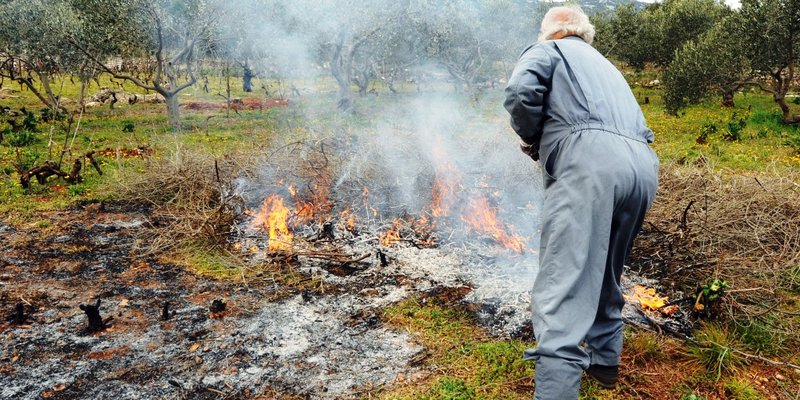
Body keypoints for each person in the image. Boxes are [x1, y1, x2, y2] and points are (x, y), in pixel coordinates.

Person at [503, 5, 659, 400]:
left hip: (590, 165)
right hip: (642, 167)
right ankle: (605, 363)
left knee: (564, 279)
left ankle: (555, 392)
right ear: (586, 33)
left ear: (551, 32)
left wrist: (531, 139)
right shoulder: (607, 66)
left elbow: (521, 93)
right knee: (606, 268)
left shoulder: (550, 50)